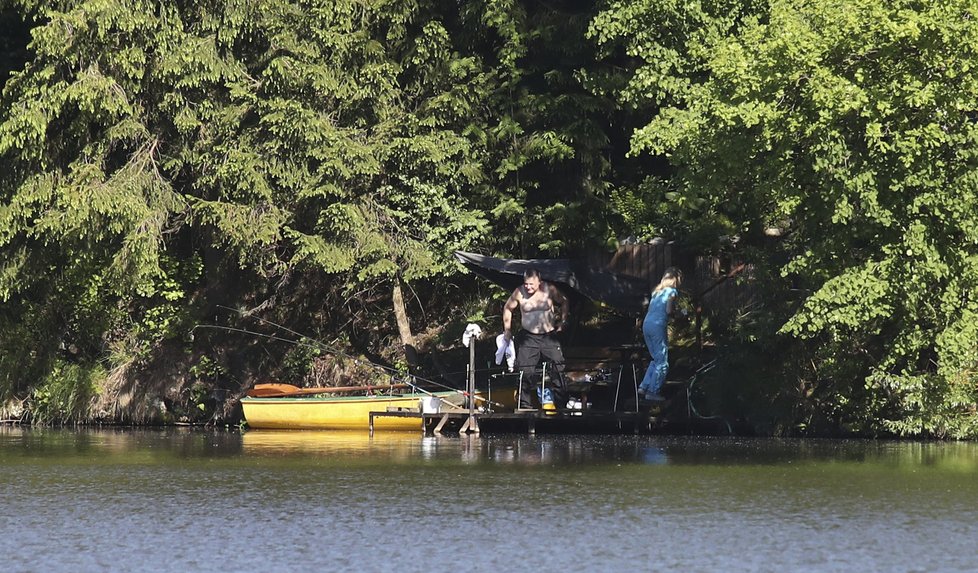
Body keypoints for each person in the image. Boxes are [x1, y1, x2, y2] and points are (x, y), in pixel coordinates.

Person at [502, 268, 570, 410]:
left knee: (557, 369)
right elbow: (508, 308)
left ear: (539, 282)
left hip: (548, 335)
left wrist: (563, 322)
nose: (529, 287)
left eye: (532, 284)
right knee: (525, 371)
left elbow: (564, 301)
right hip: (529, 336)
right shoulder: (519, 292)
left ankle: (562, 405)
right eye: (526, 284)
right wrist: (507, 330)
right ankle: (524, 405)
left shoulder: (549, 289)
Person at [638, 267, 683, 402]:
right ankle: (653, 391)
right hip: (657, 326)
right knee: (663, 362)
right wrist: (678, 315)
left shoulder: (657, 292)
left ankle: (644, 386)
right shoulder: (672, 292)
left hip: (646, 325)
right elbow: (669, 311)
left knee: (655, 359)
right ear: (676, 280)